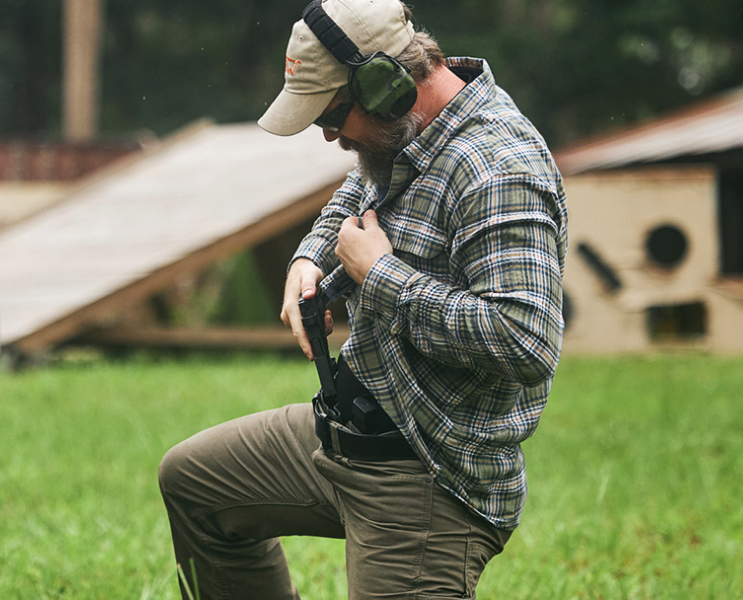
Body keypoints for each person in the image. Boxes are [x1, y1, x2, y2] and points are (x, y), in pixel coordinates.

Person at [158, 0, 568, 598]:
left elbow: (525, 342)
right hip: (353, 430)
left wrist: (380, 276)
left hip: (429, 473)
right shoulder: (407, 135)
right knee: (195, 483)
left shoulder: (498, 169)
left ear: (386, 87)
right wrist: (311, 257)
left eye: (332, 115)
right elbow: (362, 187)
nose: (329, 136)